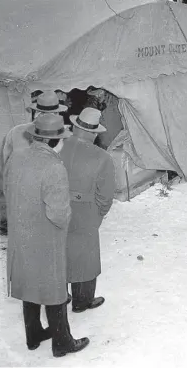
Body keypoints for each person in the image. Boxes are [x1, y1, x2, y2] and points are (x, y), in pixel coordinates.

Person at [4, 115, 89, 357]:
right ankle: (62, 342)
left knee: (29, 282)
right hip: (45, 237)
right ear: (54, 142)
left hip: (20, 233)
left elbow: (6, 191)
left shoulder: (16, 157)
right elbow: (59, 214)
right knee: (54, 287)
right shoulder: (54, 166)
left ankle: (34, 335)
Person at [60, 108, 115, 313]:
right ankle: (82, 302)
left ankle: (59, 295)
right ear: (94, 133)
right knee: (85, 257)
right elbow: (106, 196)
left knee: (59, 250)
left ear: (75, 126)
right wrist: (98, 214)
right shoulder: (102, 157)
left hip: (56, 206)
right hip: (86, 212)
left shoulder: (56, 146)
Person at [2, 91, 68, 167]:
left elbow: (6, 164)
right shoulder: (59, 138)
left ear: (36, 112)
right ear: (56, 114)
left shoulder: (15, 131)